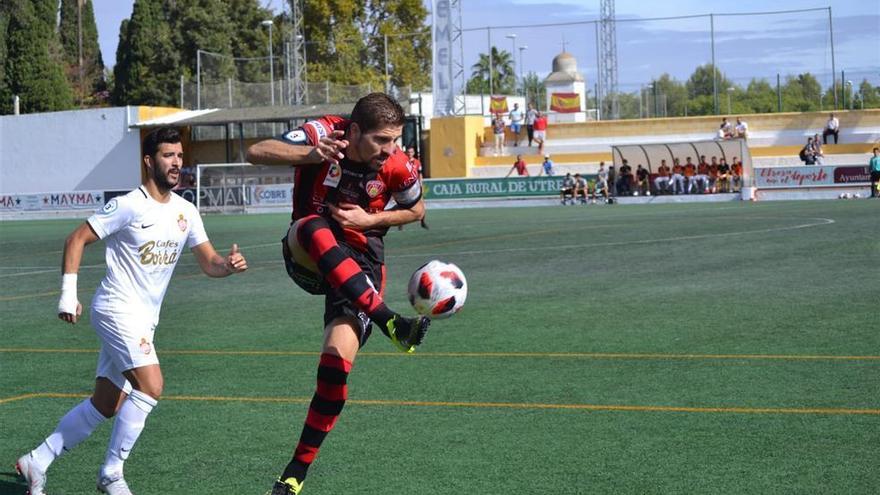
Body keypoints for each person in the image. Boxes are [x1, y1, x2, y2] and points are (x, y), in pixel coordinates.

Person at [15, 127, 249, 495]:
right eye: (168, 156)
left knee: (106, 404)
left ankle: (37, 460)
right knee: (152, 385)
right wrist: (67, 295)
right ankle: (111, 473)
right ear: (148, 161)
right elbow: (76, 239)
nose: (176, 163)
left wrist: (228, 265)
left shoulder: (186, 211)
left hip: (144, 320)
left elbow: (210, 262)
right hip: (115, 308)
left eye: (179, 156)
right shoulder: (128, 205)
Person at [246, 93, 431, 495]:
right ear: (354, 131)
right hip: (308, 256)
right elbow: (256, 150)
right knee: (313, 227)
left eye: (396, 139)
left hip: (362, 268)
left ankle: (293, 474)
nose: (391, 149)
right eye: (382, 140)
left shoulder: (397, 165)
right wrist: (310, 154)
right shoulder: (324, 132)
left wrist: (372, 219)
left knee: (333, 368)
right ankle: (390, 322)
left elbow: (418, 211)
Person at [402, 147, 429, 230]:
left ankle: (423, 221)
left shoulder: (417, 162)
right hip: (406, 186)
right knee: (403, 205)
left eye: (411, 152)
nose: (410, 153)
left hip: (416, 186)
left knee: (422, 203)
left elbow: (420, 173)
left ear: (413, 153)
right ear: (406, 153)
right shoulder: (404, 161)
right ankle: (401, 223)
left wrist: (421, 183)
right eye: (408, 152)